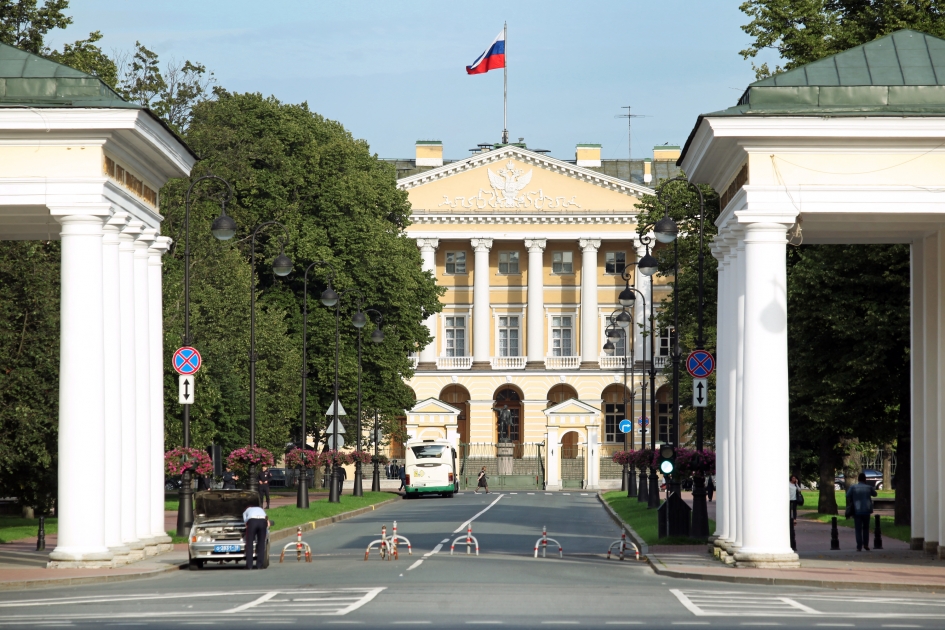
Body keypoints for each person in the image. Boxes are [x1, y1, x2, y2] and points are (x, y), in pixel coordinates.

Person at [846, 471, 878, 551]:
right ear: (865, 479)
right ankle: (866, 544)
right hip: (867, 510)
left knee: (858, 529)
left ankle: (859, 546)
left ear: (858, 479)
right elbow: (875, 494)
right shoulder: (868, 487)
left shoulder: (853, 487)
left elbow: (847, 495)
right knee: (866, 528)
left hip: (857, 510)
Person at [242, 504, 269, 570]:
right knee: (261, 543)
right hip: (263, 521)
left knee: (249, 543)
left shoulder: (246, 511)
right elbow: (267, 520)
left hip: (252, 521)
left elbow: (245, 522)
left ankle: (249, 566)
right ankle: (260, 565)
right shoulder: (261, 509)